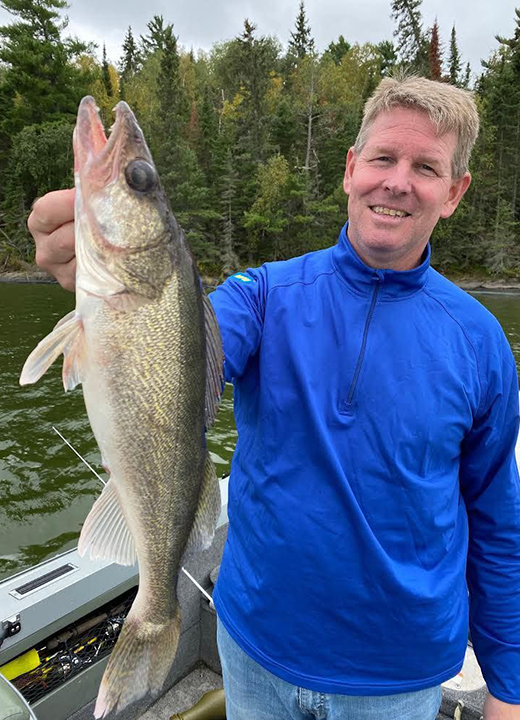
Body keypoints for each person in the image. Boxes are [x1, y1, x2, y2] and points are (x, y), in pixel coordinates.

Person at [28, 76, 520, 720]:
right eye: (381, 158)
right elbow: (187, 348)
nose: (397, 181)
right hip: (253, 644)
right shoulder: (263, 294)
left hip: (398, 676)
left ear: (454, 192)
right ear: (350, 169)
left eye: (425, 167)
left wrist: (508, 688)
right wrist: (98, 279)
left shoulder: (480, 341)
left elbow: (495, 520)